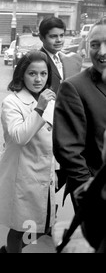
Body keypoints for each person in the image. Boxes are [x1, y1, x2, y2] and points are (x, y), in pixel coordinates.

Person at [0, 51, 57, 253]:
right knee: (20, 227)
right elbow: (20, 137)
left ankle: (8, 251)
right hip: (23, 174)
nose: (38, 79)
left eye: (43, 74)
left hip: (45, 172)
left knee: (41, 225)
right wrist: (40, 108)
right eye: (32, 73)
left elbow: (52, 136)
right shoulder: (12, 102)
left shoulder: (49, 100)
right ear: (22, 75)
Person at [53, 21, 106, 211]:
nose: (101, 51)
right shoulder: (74, 87)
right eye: (95, 44)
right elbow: (68, 151)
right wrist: (89, 191)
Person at [38, 16, 82, 94]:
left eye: (61, 35)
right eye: (53, 36)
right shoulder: (35, 60)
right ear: (41, 38)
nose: (59, 40)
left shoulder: (71, 59)